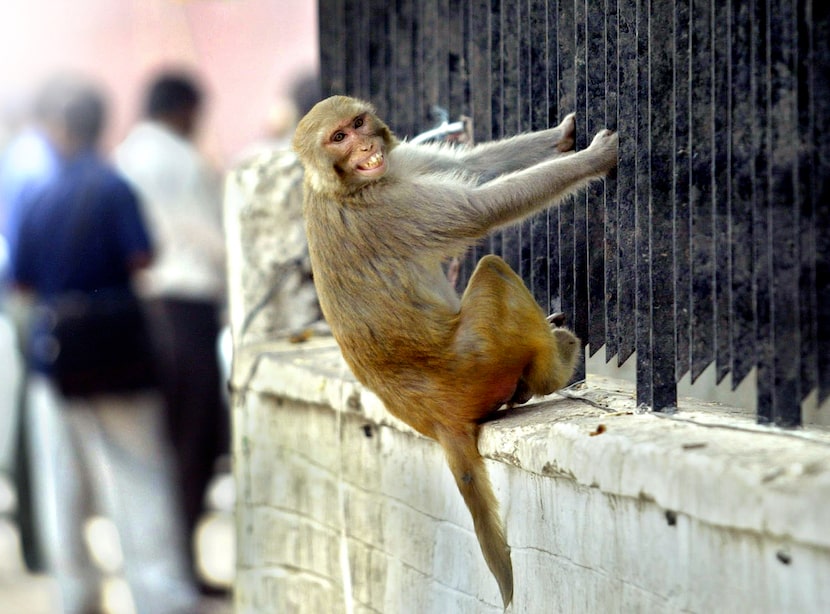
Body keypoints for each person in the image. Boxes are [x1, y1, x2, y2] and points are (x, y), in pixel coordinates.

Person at [10, 76, 199, 614]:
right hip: (120, 353)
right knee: (140, 477)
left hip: (56, 358)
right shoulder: (115, 188)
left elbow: (20, 282)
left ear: (60, 129)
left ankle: (76, 596)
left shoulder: (37, 194)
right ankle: (161, 597)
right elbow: (143, 258)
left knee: (62, 489)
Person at [114, 71, 229, 589]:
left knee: (161, 449)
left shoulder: (125, 156)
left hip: (143, 313)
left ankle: (166, 571)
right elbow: (219, 244)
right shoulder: (183, 162)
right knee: (193, 443)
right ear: (183, 109)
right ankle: (180, 570)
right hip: (186, 312)